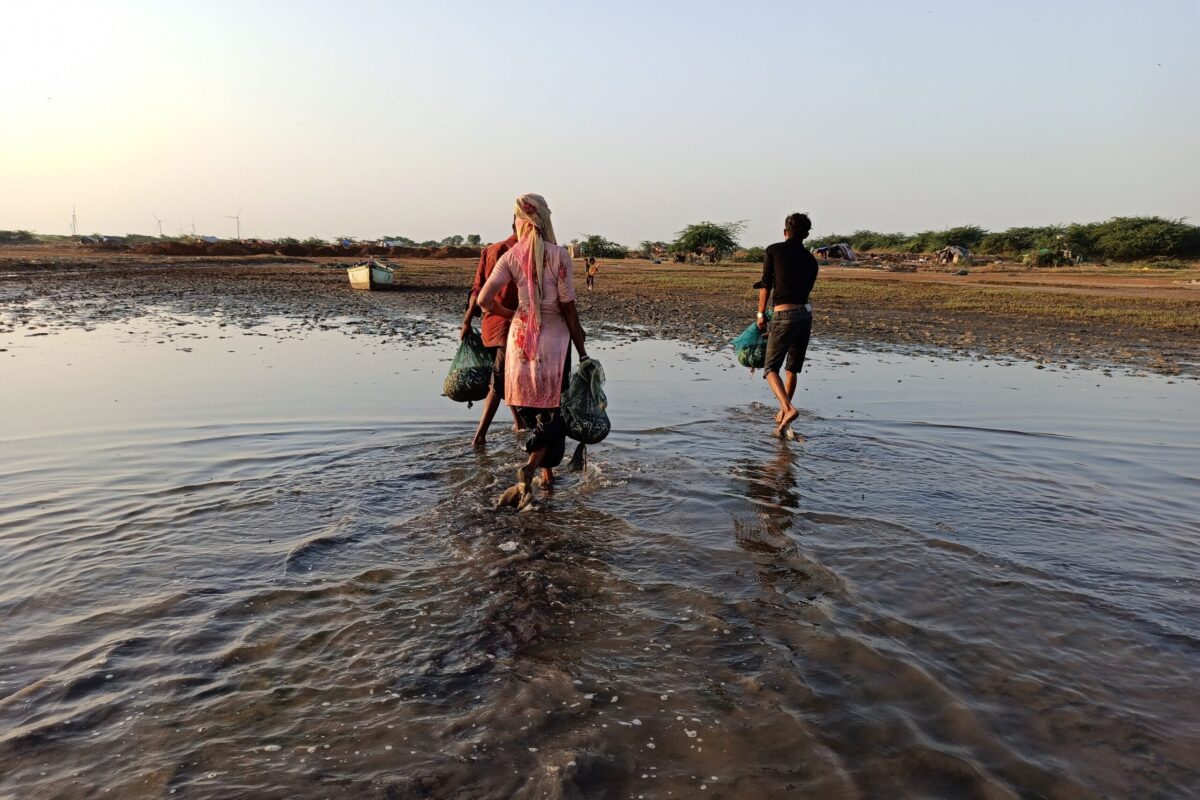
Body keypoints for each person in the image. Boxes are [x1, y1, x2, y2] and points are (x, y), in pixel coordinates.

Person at [478, 193, 587, 509]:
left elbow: (485, 300)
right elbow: (568, 310)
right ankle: (529, 469)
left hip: (520, 344)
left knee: (535, 411)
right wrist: (582, 350)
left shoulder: (511, 256)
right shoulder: (559, 256)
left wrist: (512, 315)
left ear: (521, 221)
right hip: (554, 345)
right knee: (555, 412)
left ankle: (545, 477)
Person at [756, 212, 818, 439]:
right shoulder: (811, 260)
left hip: (784, 315)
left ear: (785, 232)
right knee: (792, 368)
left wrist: (761, 313)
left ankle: (788, 408)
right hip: (805, 315)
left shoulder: (774, 250)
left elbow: (766, 284)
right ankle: (783, 417)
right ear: (806, 235)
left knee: (771, 369)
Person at [460, 222, 521, 448]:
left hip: (492, 326)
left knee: (505, 376)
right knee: (499, 380)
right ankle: (480, 436)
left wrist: (466, 322)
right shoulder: (523, 252)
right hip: (511, 326)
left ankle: (519, 424)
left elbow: (477, 291)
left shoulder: (491, 250)